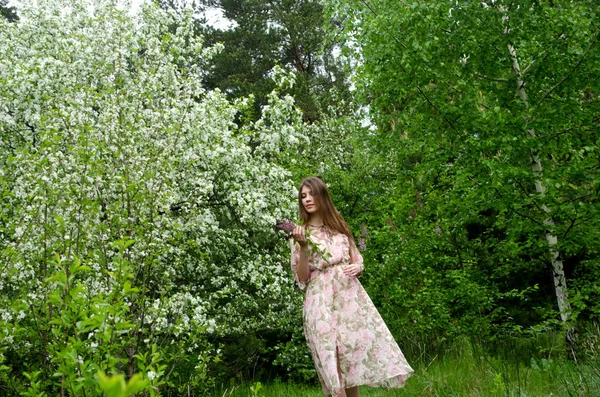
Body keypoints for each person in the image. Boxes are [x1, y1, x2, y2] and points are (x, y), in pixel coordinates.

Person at [290, 177, 414, 397]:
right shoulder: (300, 233)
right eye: (303, 196)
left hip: (348, 299)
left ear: (322, 195)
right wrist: (302, 246)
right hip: (320, 302)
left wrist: (358, 268)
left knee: (349, 362)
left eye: (311, 194)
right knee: (331, 361)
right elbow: (302, 278)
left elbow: (357, 259)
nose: (307, 199)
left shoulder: (339, 226)